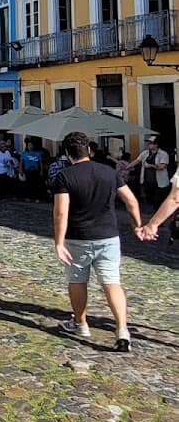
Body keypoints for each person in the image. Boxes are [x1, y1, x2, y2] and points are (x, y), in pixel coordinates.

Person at [53, 129, 140, 353]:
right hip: (108, 236)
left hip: (78, 237)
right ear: (89, 150)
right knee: (112, 282)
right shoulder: (109, 172)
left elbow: (61, 212)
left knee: (77, 281)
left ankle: (81, 324)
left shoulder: (66, 176)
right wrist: (137, 224)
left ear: (67, 153)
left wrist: (59, 242)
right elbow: (131, 201)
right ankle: (122, 329)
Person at [132, 136, 170, 210]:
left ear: (156, 145)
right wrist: (127, 167)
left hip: (159, 182)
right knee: (149, 198)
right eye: (148, 143)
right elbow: (137, 161)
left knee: (158, 200)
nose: (148, 144)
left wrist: (150, 165)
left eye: (151, 143)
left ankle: (158, 214)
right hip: (147, 181)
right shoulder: (145, 153)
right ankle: (154, 212)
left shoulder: (163, 154)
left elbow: (162, 167)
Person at [20, 138, 45, 202]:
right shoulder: (24, 154)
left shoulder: (37, 153)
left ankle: (36, 198)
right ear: (27, 146)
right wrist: (21, 170)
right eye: (29, 145)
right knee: (28, 185)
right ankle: (28, 197)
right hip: (27, 171)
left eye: (31, 145)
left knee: (36, 185)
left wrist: (41, 170)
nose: (30, 146)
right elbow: (21, 163)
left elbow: (40, 163)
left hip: (35, 171)